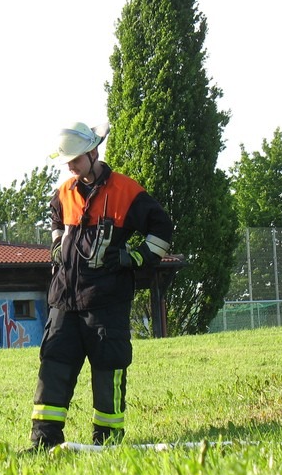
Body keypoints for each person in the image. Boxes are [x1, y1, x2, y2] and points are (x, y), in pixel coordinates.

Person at [29, 121, 174, 450]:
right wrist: (56, 247)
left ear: (93, 153)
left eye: (76, 159)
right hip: (64, 301)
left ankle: (107, 440)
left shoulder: (126, 191)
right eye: (67, 161)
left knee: (109, 369)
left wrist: (135, 257)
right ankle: (44, 441)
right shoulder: (64, 192)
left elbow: (162, 229)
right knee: (53, 368)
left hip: (107, 302)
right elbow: (55, 219)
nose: (70, 166)